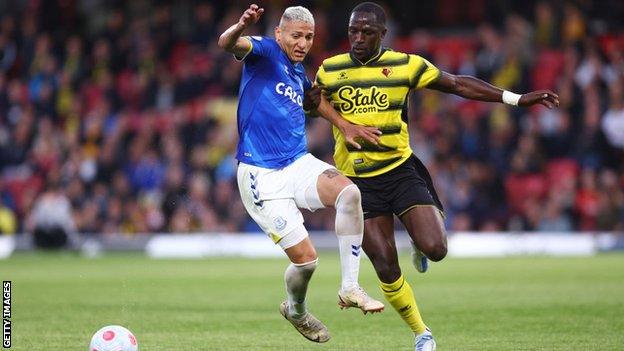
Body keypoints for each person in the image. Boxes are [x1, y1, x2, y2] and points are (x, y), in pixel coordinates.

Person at [308, 2, 560, 350]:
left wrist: (516, 99)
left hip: (400, 172)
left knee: (437, 248)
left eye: (367, 31)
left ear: (383, 34)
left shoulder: (405, 64)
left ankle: (419, 243)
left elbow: (457, 83)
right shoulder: (330, 70)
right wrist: (315, 106)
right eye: (353, 30)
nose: (358, 37)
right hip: (358, 184)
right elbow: (314, 103)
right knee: (385, 267)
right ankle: (422, 334)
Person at [217, 4, 385, 344]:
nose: (303, 43)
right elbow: (227, 44)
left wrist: (345, 124)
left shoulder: (297, 73)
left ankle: (350, 287)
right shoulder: (264, 51)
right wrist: (240, 26)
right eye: (296, 35)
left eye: (309, 37)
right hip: (260, 175)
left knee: (350, 194)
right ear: (279, 34)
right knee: (307, 262)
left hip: (297, 162)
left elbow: (313, 101)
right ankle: (295, 310)